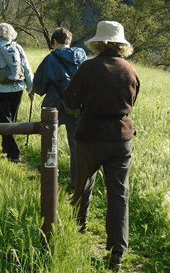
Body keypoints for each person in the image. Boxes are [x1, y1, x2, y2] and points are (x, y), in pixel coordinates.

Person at [63, 21, 140, 271]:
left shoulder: (88, 68)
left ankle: (78, 228)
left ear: (99, 42)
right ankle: (117, 250)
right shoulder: (130, 70)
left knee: (83, 183)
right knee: (119, 193)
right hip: (121, 137)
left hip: (90, 134)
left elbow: (70, 101)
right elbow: (132, 101)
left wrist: (79, 110)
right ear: (121, 44)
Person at [33, 27, 87, 188]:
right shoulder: (82, 56)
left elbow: (39, 87)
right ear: (69, 41)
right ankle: (76, 180)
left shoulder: (50, 59)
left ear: (55, 41)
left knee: (50, 140)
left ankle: (50, 172)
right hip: (77, 105)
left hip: (54, 105)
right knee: (75, 143)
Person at [0, 23, 34, 162]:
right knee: (12, 119)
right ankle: (6, 146)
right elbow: (27, 68)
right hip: (17, 87)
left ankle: (15, 153)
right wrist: (30, 88)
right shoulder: (17, 47)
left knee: (4, 119)